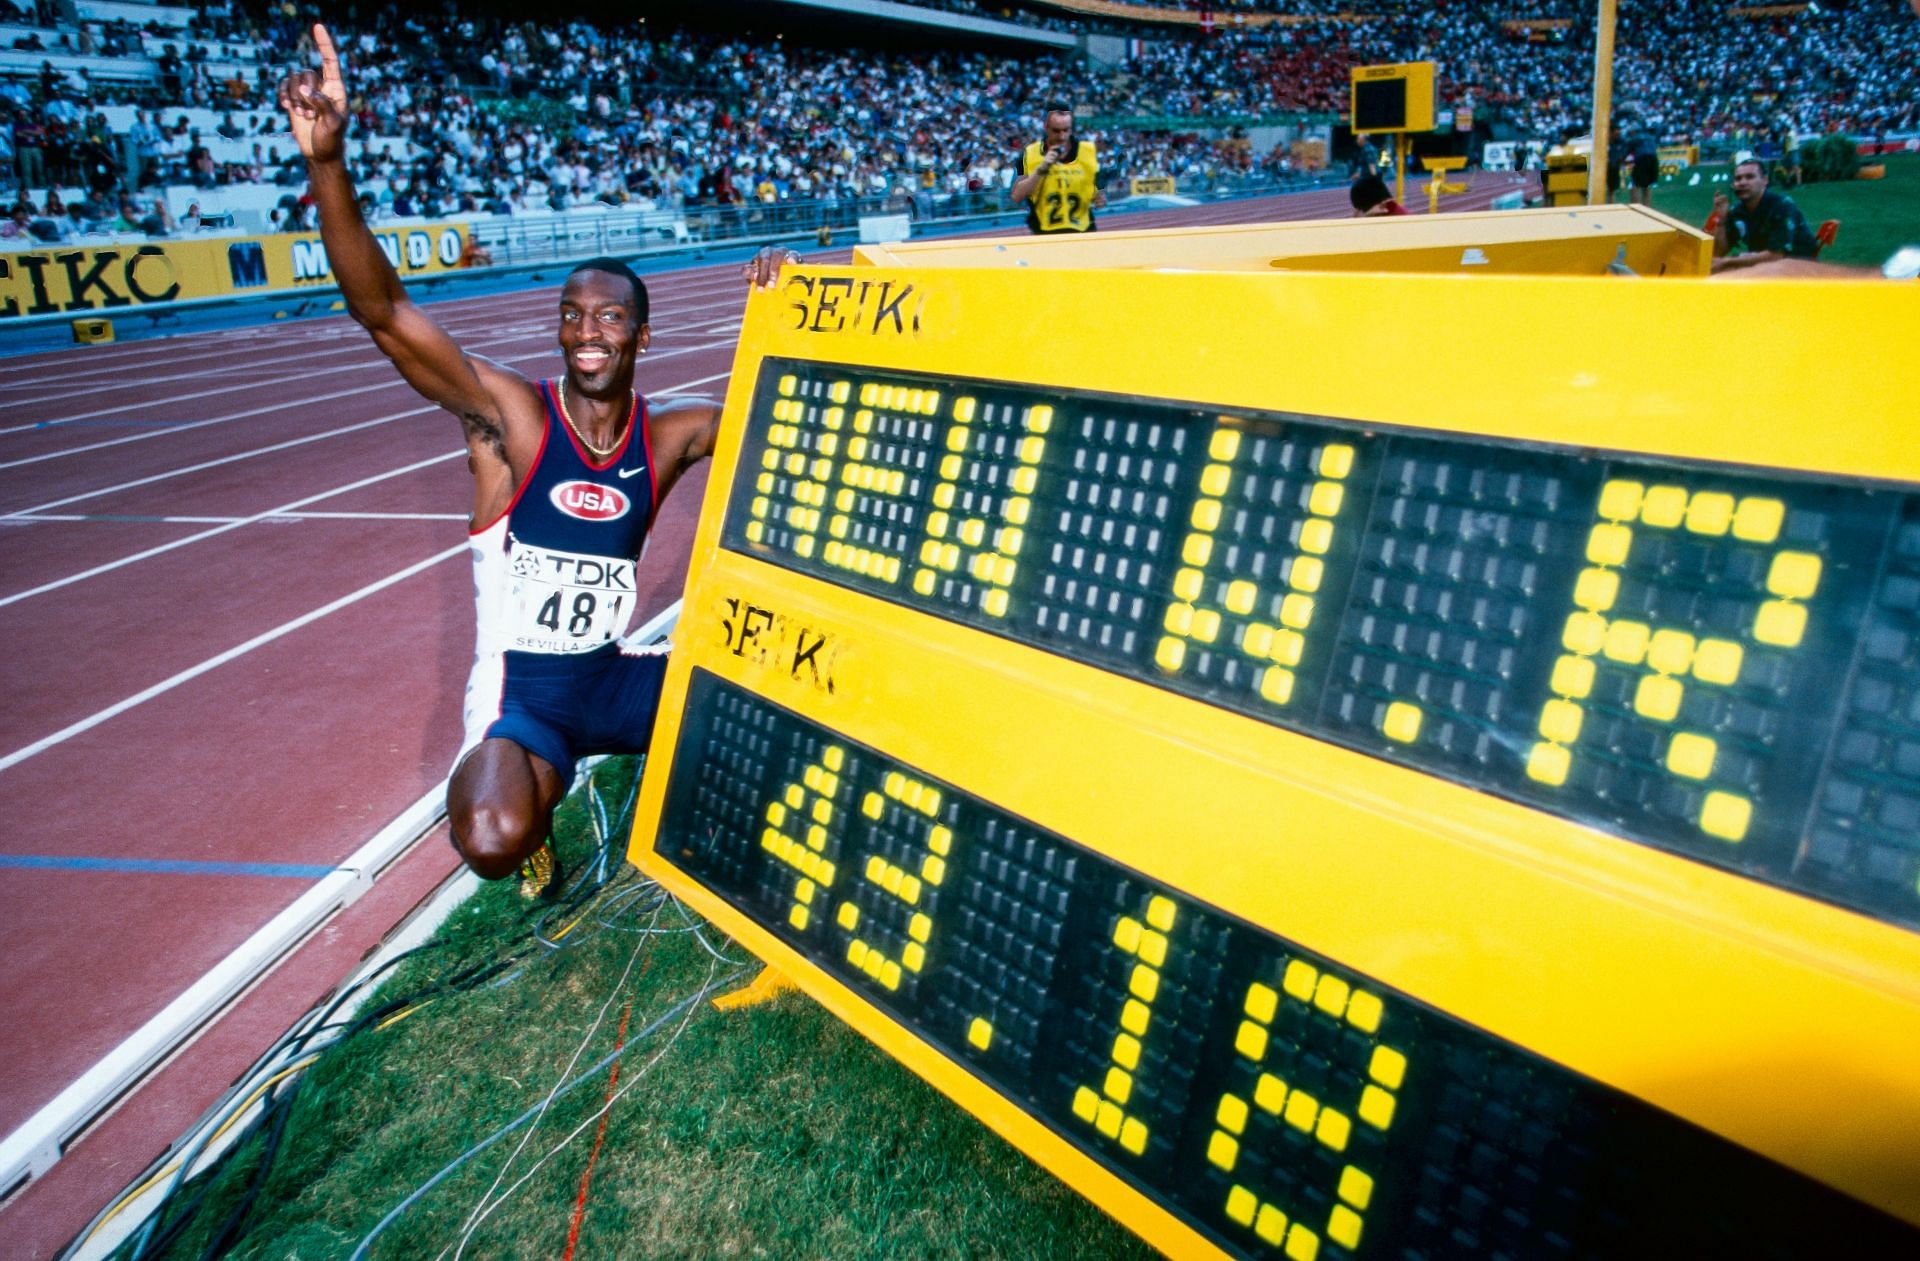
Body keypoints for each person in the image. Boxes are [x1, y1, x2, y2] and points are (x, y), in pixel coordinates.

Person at [280, 25, 797, 895]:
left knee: (791, 700)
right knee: (492, 835)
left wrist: (782, 312)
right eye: (572, 315)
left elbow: (788, 420)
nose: (586, 332)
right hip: (524, 704)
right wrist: (328, 163)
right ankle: (542, 817)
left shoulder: (671, 433)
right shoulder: (509, 418)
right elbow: (385, 314)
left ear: (641, 332)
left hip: (616, 678)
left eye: (607, 318)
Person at [1009, 101, 1102, 234]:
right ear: (1046, 127)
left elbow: (1096, 190)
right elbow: (1016, 196)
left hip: (1083, 232)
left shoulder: (1088, 151)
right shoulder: (1030, 154)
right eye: (1056, 131)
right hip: (1044, 233)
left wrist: (1099, 195)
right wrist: (1042, 169)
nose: (1062, 136)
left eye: (1066, 130)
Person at [1712, 158, 1817, 273]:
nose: (1742, 182)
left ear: (1765, 180)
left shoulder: (1781, 205)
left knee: (1727, 271)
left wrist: (1729, 261)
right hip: (1767, 266)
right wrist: (1721, 220)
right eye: (1738, 179)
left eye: (1750, 177)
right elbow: (1719, 253)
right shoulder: (1737, 211)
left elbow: (1776, 255)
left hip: (1799, 267)